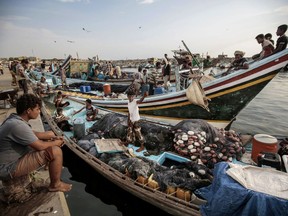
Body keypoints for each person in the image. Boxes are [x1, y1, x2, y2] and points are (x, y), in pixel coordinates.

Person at [0, 94, 72, 192]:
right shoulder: (17, 125)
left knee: (49, 138)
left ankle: (51, 167)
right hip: (7, 168)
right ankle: (55, 184)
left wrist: (53, 136)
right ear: (29, 110)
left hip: (9, 161)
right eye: (37, 109)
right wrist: (57, 142)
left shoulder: (15, 120)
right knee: (55, 151)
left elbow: (35, 134)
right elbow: (40, 146)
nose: (39, 112)